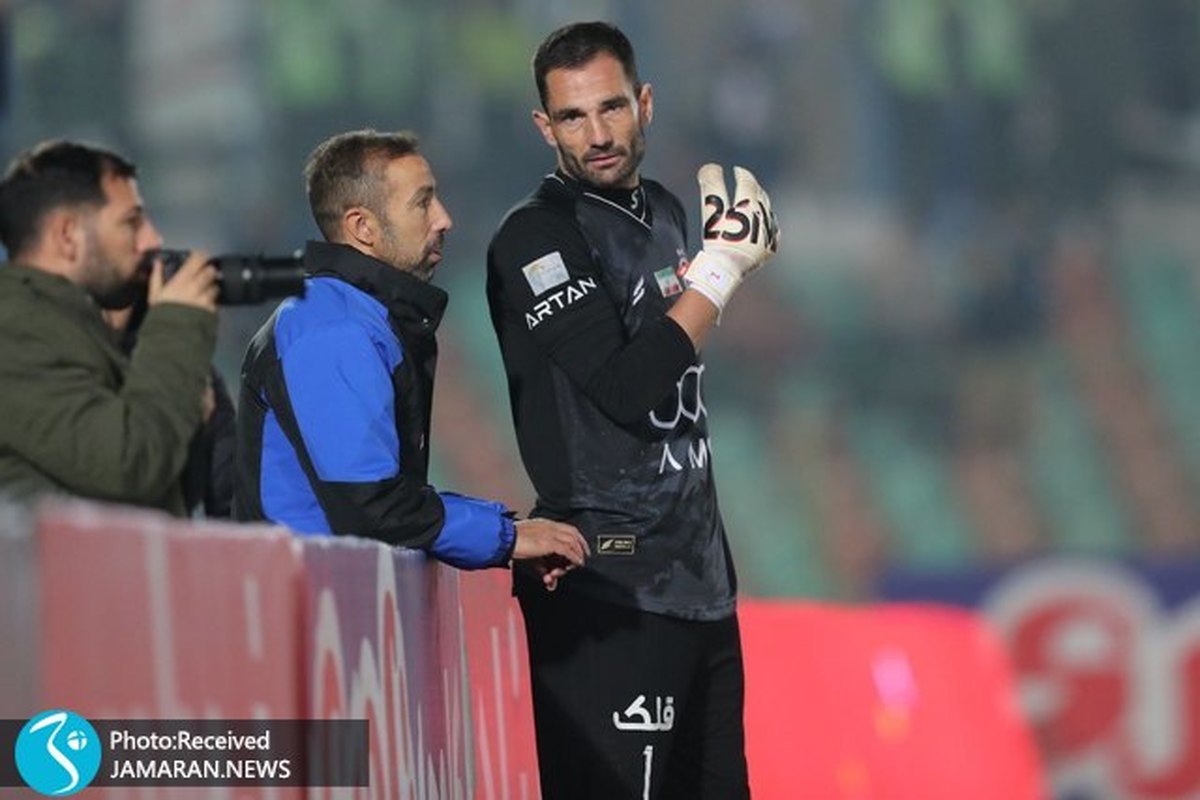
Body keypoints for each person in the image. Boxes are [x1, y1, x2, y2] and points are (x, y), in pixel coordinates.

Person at [486, 22, 779, 799]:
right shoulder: (536, 236)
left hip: (700, 584)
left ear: (644, 103)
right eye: (572, 117)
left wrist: (714, 269)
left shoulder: (670, 212)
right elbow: (622, 390)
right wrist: (720, 271)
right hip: (606, 588)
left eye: (611, 108)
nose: (597, 135)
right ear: (544, 126)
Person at [234, 130, 589, 585]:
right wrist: (507, 536)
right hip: (309, 607)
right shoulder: (330, 328)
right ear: (362, 227)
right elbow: (372, 505)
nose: (444, 218)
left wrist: (506, 534)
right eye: (422, 203)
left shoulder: (357, 319)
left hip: (330, 603)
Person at [0, 139, 220, 515]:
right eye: (132, 222)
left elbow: (154, 489)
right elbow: (130, 466)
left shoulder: (64, 325)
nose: (153, 239)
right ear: (67, 235)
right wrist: (177, 323)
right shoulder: (14, 333)